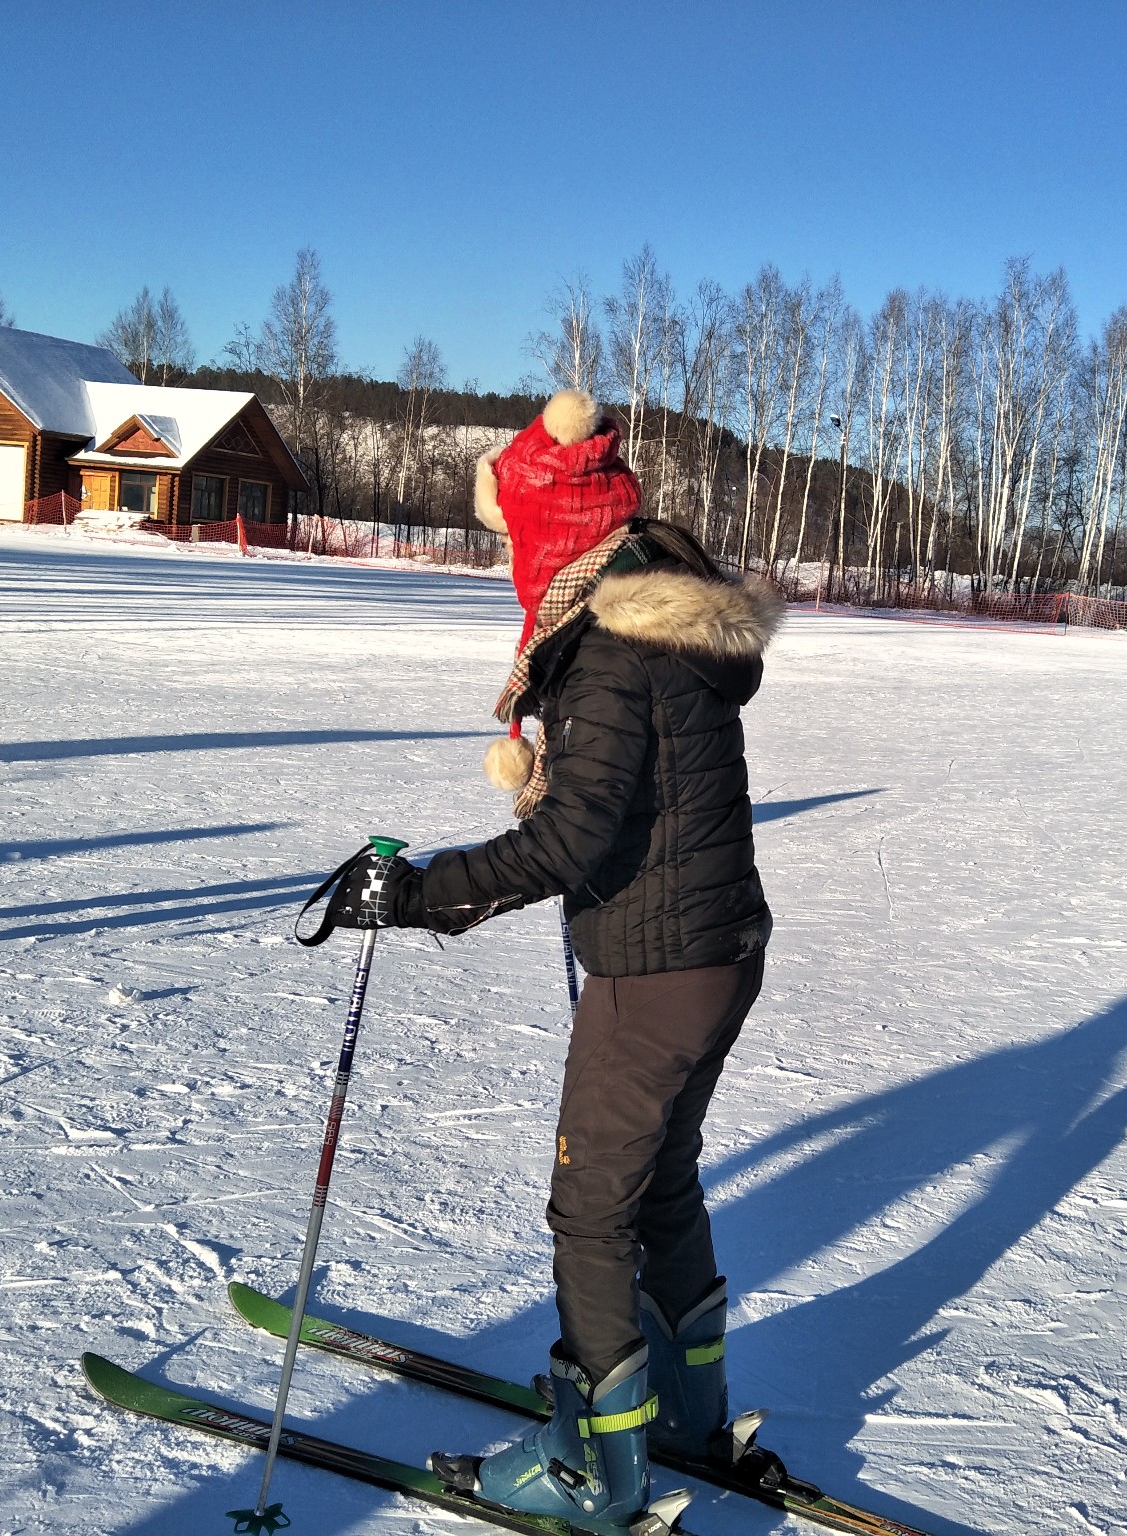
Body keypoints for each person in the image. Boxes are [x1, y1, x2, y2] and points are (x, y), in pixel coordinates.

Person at [309, 388, 782, 1528]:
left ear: (558, 545)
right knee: (655, 1184)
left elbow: (572, 843)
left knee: (589, 1211)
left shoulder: (613, 652)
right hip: (712, 950)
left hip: (657, 969)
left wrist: (416, 893)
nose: (513, 567)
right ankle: (677, 1414)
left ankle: (593, 1468)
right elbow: (620, 806)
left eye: (518, 542)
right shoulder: (660, 637)